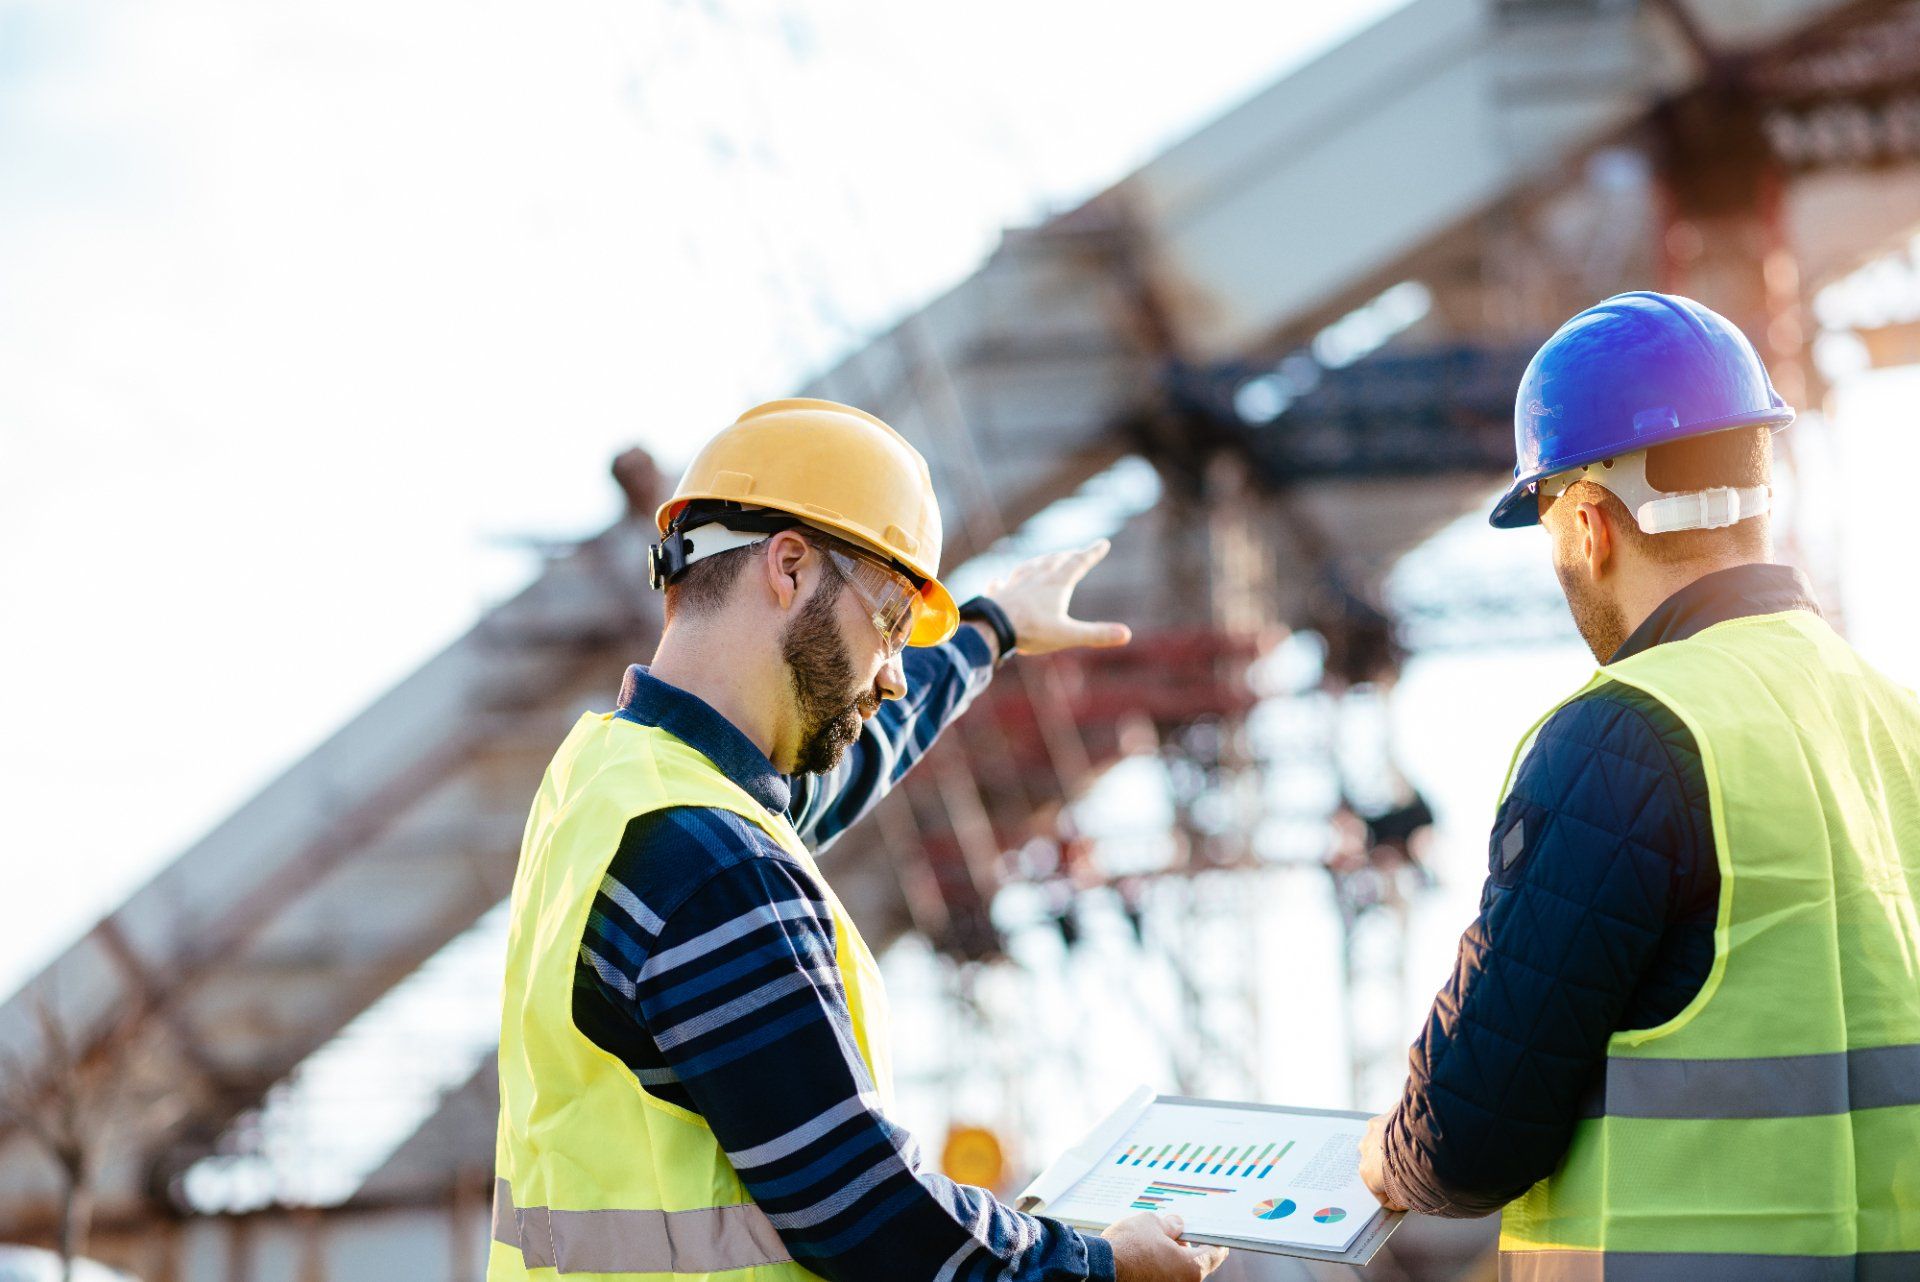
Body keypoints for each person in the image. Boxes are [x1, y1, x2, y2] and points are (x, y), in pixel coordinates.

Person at [490, 399, 1229, 1282]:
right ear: (791, 568)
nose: (890, 669)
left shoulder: (609, 781)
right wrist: (1104, 1267)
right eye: (886, 621)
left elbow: (845, 758)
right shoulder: (715, 863)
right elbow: (875, 1221)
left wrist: (990, 633)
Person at [1357, 293, 1920, 1278]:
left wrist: (1386, 1155)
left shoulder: (1622, 735)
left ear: (1589, 524)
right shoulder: (1896, 717)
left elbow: (1468, 1138)